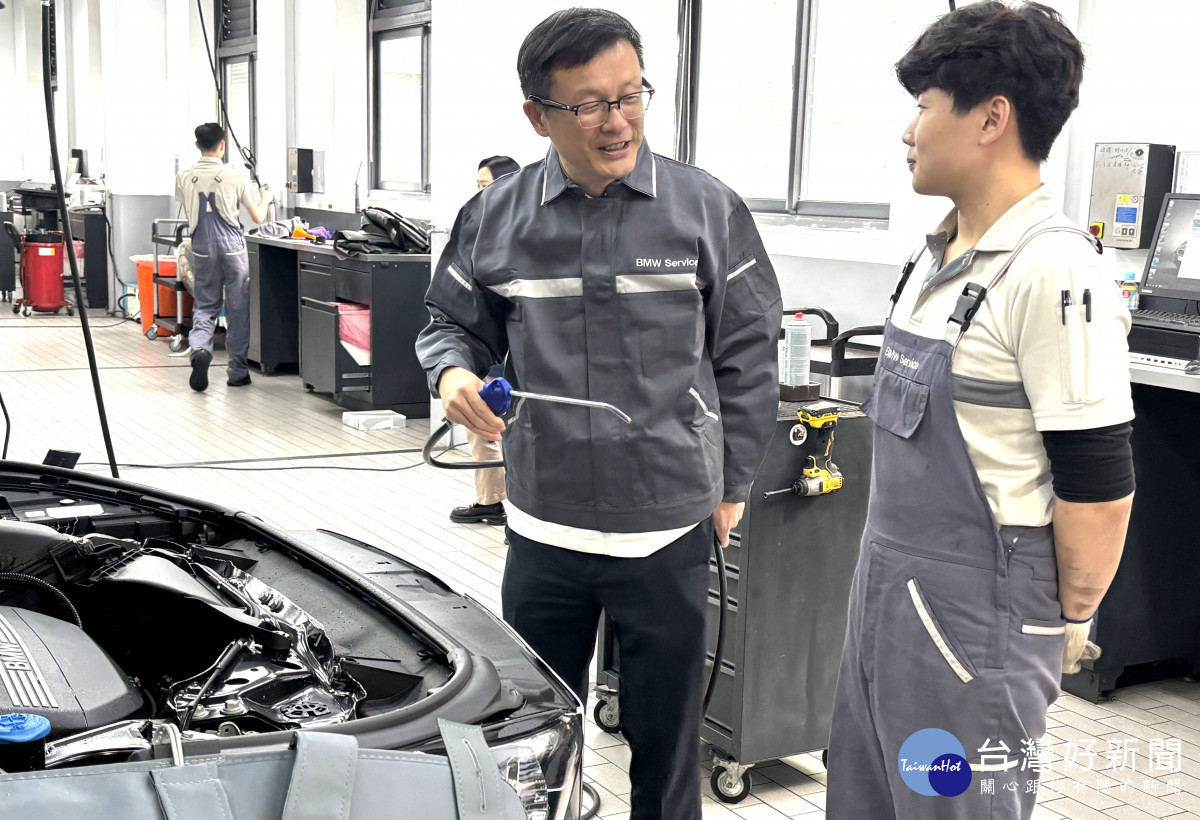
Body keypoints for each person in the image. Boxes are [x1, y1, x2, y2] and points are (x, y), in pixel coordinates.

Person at [415, 9, 781, 818]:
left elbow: (749, 354)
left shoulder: (705, 209)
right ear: (537, 115)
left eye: (631, 95)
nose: (617, 121)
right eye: (588, 105)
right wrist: (451, 374)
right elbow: (448, 322)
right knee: (532, 742)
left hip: (668, 529)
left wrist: (731, 487)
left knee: (667, 747)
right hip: (545, 529)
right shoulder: (496, 216)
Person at [826, 4, 1134, 819]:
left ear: (992, 117)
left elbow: (1099, 485)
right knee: (865, 801)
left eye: (923, 106)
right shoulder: (936, 257)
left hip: (975, 623)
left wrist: (1055, 621)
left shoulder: (1054, 272)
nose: (908, 132)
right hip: (886, 596)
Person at [449, 156, 522, 527]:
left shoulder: (505, 231)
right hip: (495, 351)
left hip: (502, 354)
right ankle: (494, 499)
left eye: (485, 185)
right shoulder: (491, 225)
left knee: (487, 425)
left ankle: (491, 501)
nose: (480, 193)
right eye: (478, 186)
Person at [175, 123, 270, 392]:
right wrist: (265, 197)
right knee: (238, 309)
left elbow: (189, 213)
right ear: (223, 145)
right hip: (233, 249)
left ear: (197, 146)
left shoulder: (184, 176)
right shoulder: (235, 175)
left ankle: (199, 351)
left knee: (205, 305)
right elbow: (258, 217)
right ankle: (237, 371)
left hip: (202, 246)